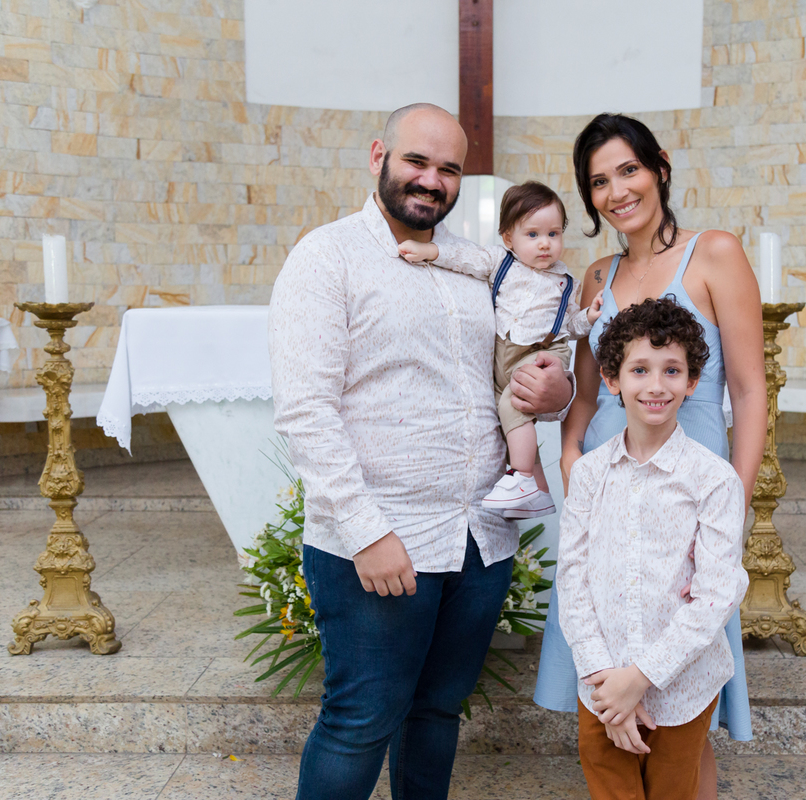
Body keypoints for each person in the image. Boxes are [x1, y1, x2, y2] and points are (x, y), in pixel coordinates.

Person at [269, 103, 574, 800]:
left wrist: (557, 391)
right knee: (359, 720)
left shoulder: (484, 266)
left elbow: (526, 361)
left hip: (481, 537)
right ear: (379, 155)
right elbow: (305, 410)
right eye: (417, 161)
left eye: (449, 169)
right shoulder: (327, 256)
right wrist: (366, 532)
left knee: (437, 711)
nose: (432, 180)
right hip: (384, 538)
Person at [534, 113, 768, 800]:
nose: (617, 192)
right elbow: (585, 393)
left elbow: (750, 390)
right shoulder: (596, 276)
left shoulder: (715, 253)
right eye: (598, 181)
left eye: (629, 170)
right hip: (609, 488)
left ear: (660, 166)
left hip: (688, 493)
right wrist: (570, 453)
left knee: (685, 714)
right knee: (611, 652)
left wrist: (736, 500)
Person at [559, 297, 748, 800]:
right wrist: (609, 687)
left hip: (682, 690)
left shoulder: (714, 480)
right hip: (600, 686)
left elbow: (715, 595)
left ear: (692, 381)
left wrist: (639, 679)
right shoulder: (589, 474)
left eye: (672, 370)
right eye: (640, 369)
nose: (656, 385)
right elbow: (572, 581)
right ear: (612, 379)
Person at [398, 181, 603, 520]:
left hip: (542, 351)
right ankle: (538, 490)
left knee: (514, 404)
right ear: (509, 238)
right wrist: (430, 251)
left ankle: (521, 477)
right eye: (533, 234)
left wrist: (589, 317)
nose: (545, 244)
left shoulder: (565, 282)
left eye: (553, 234)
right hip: (502, 354)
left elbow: (570, 325)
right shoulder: (500, 262)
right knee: (504, 417)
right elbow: (464, 258)